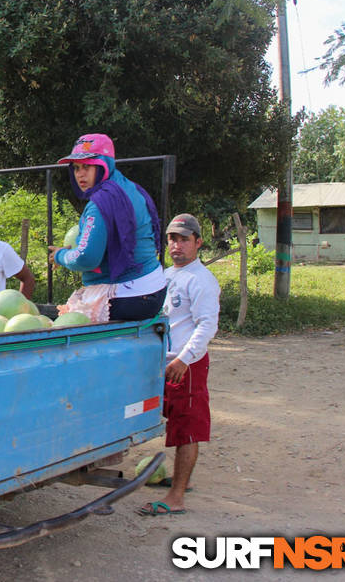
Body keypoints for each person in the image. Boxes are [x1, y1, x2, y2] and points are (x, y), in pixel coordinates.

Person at [139, 212, 220, 517]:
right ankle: (178, 482)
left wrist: (185, 360)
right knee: (169, 420)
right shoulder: (167, 275)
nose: (177, 245)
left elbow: (206, 325)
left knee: (187, 428)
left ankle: (176, 497)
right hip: (163, 362)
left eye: (184, 239)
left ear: (198, 242)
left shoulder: (201, 280)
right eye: (172, 239)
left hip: (186, 365)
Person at [48, 134, 166, 321]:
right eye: (76, 168)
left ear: (104, 165)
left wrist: (60, 256)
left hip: (129, 296)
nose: (80, 174)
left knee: (57, 320)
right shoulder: (130, 188)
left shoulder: (101, 202)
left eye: (87, 166)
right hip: (154, 290)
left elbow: (87, 258)